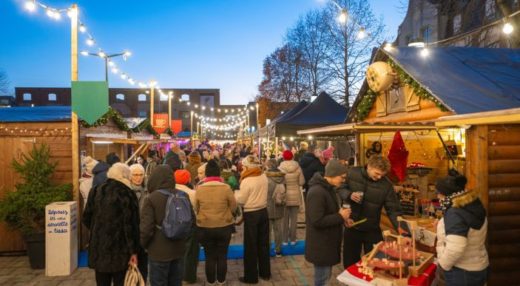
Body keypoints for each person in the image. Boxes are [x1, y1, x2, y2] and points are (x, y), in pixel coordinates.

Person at [340, 155, 405, 268]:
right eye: (377, 173)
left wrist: (404, 231)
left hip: (372, 228)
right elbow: (340, 188)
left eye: (382, 175)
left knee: (376, 261)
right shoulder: (352, 173)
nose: (379, 177)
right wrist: (349, 195)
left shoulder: (386, 185)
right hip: (352, 226)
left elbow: (394, 210)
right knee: (350, 262)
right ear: (369, 167)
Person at [82, 163, 141, 286]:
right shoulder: (128, 193)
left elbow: (86, 218)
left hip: (99, 249)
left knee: (102, 282)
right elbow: (131, 226)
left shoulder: (96, 190)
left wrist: (98, 230)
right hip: (120, 251)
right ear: (125, 176)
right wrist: (133, 251)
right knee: (120, 282)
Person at [140, 165, 190, 286]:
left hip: (158, 252)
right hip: (178, 249)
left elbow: (147, 229)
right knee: (176, 282)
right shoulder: (183, 195)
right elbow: (191, 222)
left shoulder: (151, 198)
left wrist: (143, 245)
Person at [435, 174, 489, 286]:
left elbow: (455, 248)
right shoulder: (473, 205)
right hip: (479, 266)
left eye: (439, 193)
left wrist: (443, 265)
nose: (438, 197)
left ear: (447, 195)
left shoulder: (455, 213)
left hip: (462, 272)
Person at [305, 159, 352, 286]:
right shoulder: (317, 192)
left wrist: (343, 219)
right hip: (321, 244)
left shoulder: (329, 188)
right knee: (322, 280)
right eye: (341, 177)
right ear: (332, 174)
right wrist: (340, 216)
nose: (343, 180)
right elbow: (317, 220)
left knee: (325, 277)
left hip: (327, 242)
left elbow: (329, 213)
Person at [195, 159, 237, 285]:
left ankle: (210, 281)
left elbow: (196, 208)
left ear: (206, 174)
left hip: (205, 227)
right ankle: (221, 280)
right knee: (222, 255)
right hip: (224, 226)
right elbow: (233, 206)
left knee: (209, 256)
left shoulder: (200, 189)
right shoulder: (226, 188)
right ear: (218, 173)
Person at [235, 155, 271, 284]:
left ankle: (251, 277)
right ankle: (265, 272)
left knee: (250, 246)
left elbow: (242, 200)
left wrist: (235, 195)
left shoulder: (247, 181)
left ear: (247, 167)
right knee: (263, 244)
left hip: (251, 214)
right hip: (263, 212)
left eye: (243, 167)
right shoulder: (263, 176)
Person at [174, 169, 198, 284]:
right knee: (189, 251)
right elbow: (196, 209)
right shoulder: (192, 193)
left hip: (174, 225)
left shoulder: (170, 191)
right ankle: (188, 276)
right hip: (189, 225)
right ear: (187, 179)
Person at [278, 150, 305, 246]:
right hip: (295, 195)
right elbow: (302, 182)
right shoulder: (298, 167)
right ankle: (293, 239)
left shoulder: (280, 168)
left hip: (284, 196)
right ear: (292, 157)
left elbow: (279, 182)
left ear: (284, 157)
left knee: (284, 219)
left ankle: (285, 240)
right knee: (294, 219)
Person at [129, 163, 149, 281]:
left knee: (143, 269)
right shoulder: (125, 191)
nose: (138, 177)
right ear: (130, 176)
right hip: (130, 235)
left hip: (143, 235)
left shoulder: (147, 191)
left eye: (141, 174)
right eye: (135, 175)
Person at [264, 159, 285, 257]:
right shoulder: (282, 176)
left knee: (267, 230)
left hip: (267, 206)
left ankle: (266, 250)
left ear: (268, 166)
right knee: (278, 229)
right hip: (279, 205)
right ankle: (278, 250)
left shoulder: (265, 177)